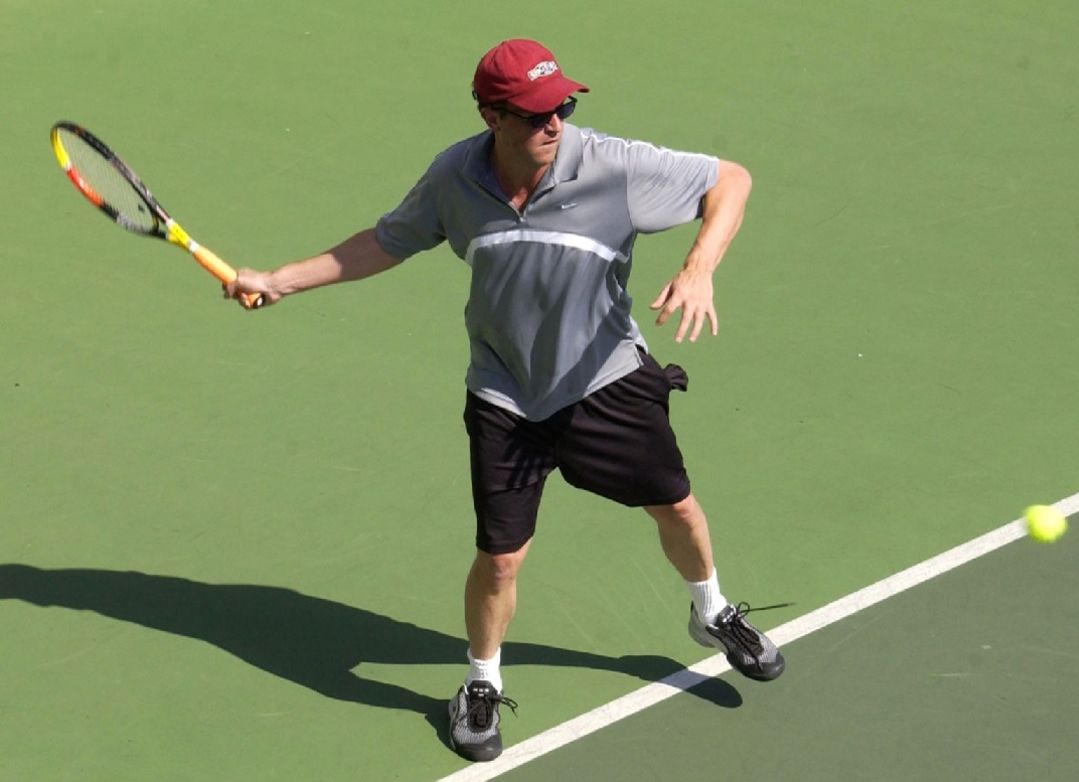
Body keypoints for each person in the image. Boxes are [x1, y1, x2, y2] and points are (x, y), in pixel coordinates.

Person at [225, 38, 785, 763]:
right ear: (492, 116)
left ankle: (711, 612)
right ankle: (480, 682)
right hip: (505, 395)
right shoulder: (455, 178)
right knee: (499, 559)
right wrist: (280, 279)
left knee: (674, 505)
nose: (555, 123)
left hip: (603, 378)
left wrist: (700, 265)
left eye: (564, 107)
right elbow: (387, 242)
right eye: (534, 113)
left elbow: (731, 180)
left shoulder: (610, 165)